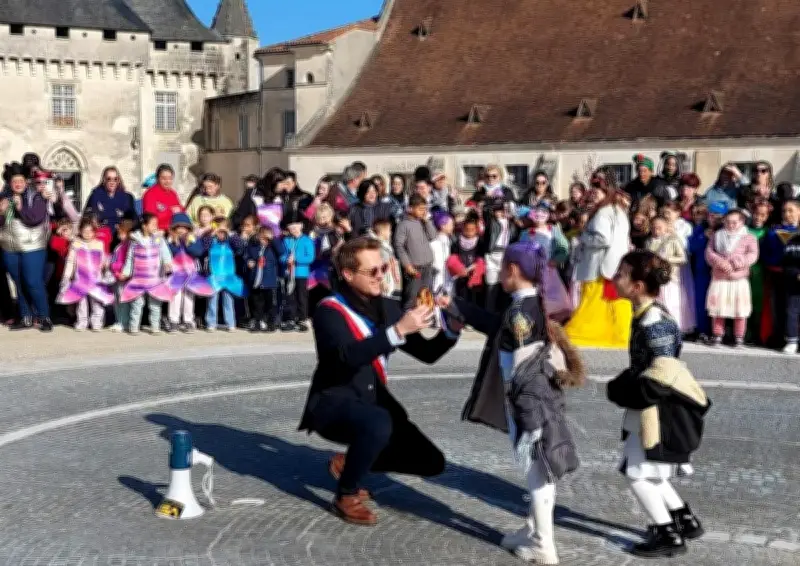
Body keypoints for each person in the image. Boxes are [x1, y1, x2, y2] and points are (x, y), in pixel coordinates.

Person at [438, 240, 585, 564]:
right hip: (537, 397)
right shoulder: (530, 304)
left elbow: (518, 358)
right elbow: (496, 327)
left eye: (503, 267)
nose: (500, 273)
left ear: (513, 271)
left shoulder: (521, 312)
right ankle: (533, 528)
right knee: (541, 464)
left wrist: (521, 408)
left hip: (527, 400)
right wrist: (456, 305)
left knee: (536, 468)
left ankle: (543, 544)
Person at [297, 236, 459, 526]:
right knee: (379, 422)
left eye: (383, 268)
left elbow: (427, 353)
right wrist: (396, 332)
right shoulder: (328, 310)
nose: (381, 276)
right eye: (372, 271)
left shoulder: (388, 307)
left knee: (431, 462)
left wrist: (452, 329)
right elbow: (346, 357)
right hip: (334, 402)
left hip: (372, 400)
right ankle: (346, 494)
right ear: (348, 275)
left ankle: (349, 463)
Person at [608, 250, 711, 558]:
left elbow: (662, 372)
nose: (615, 278)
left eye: (621, 274)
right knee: (650, 470)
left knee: (636, 474)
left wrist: (626, 391)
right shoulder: (647, 313)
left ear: (637, 286)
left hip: (657, 409)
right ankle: (684, 518)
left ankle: (667, 533)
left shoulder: (654, 321)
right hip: (651, 403)